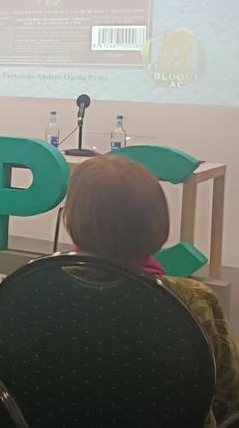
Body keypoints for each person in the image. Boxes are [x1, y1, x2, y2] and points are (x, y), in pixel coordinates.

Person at [64, 155, 239, 427]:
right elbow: (228, 390)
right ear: (158, 220)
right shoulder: (193, 299)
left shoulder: (32, 292)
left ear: (72, 217)